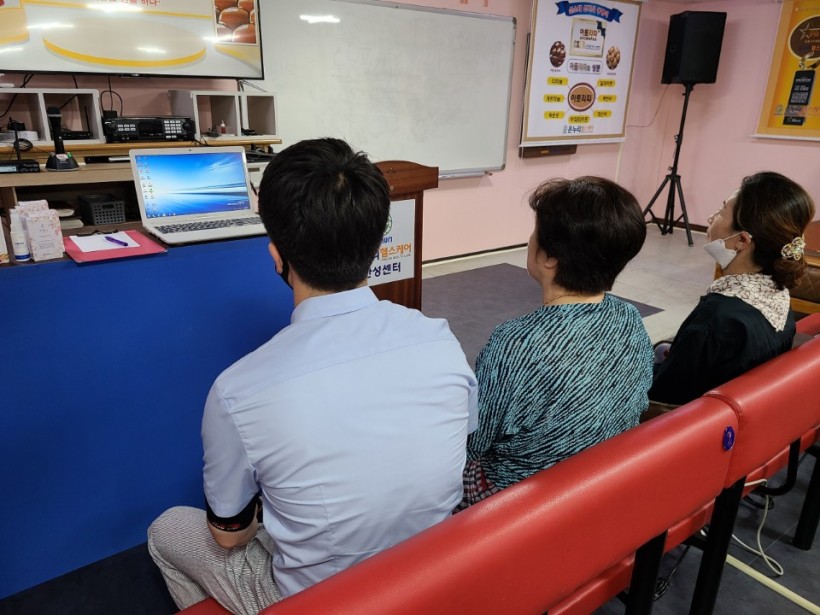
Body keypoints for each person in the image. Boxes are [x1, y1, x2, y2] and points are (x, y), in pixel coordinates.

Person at [148, 138, 478, 615]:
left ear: (277, 255)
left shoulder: (238, 390)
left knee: (166, 530)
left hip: (323, 600)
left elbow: (228, 535)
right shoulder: (439, 338)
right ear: (376, 244)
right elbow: (460, 443)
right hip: (429, 574)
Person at [459, 176, 653, 509]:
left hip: (524, 500)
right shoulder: (628, 317)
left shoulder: (516, 343)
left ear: (549, 256)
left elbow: (473, 443)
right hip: (602, 480)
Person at [649, 171, 815, 406]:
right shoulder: (778, 294)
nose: (711, 217)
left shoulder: (716, 317)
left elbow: (663, 396)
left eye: (721, 211)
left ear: (742, 241)